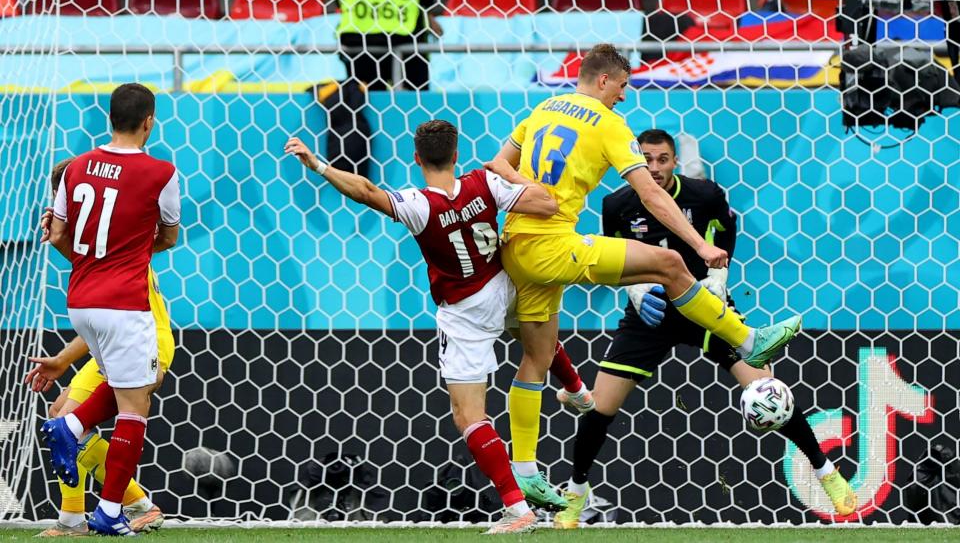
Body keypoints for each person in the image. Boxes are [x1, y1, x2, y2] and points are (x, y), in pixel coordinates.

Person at [489, 43, 802, 507]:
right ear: (602, 81)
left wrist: (528, 189)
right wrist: (699, 244)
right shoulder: (608, 124)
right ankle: (749, 340)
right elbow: (653, 197)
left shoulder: (542, 109)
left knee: (535, 359)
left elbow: (496, 165)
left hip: (514, 246)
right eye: (622, 86)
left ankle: (526, 471)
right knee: (671, 263)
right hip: (552, 245)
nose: (624, 96)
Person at [553, 129, 857, 527]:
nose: (654, 168)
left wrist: (720, 277)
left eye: (662, 159)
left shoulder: (704, 194)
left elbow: (727, 233)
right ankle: (576, 495)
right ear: (633, 161)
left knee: (769, 392)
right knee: (600, 407)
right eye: (645, 159)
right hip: (651, 317)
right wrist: (638, 290)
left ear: (675, 161)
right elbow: (615, 255)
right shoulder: (617, 204)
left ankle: (826, 473)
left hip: (706, 308)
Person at [285, 120, 556, 533]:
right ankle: (577, 389)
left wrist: (317, 164)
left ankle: (517, 509)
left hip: (465, 311)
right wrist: (511, 177)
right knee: (534, 340)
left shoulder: (419, 203)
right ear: (456, 154)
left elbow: (365, 191)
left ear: (416, 158)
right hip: (503, 285)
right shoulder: (485, 183)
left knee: (468, 417)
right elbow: (544, 204)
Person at [42, 83, 181, 536]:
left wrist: (91, 259)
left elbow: (63, 237)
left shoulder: (76, 171)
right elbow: (168, 237)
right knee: (123, 408)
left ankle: (83, 514)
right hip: (124, 310)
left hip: (91, 306)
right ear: (149, 122)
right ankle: (113, 511)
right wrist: (132, 252)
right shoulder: (159, 174)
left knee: (86, 406)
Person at [336, 0, 443, 91]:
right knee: (413, 99)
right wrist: (429, 13)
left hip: (359, 38)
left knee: (365, 99)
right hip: (405, 38)